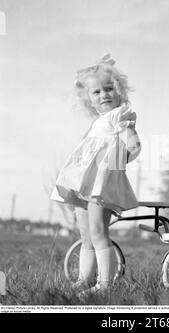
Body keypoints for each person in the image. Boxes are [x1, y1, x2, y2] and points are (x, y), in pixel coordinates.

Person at [50, 54, 141, 296]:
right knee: (86, 233)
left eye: (109, 89)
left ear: (120, 90)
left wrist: (132, 145)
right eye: (97, 92)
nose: (104, 95)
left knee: (99, 230)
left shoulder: (118, 115)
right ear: (89, 99)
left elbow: (129, 135)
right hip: (84, 184)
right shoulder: (97, 122)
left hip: (102, 184)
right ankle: (84, 278)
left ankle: (105, 284)